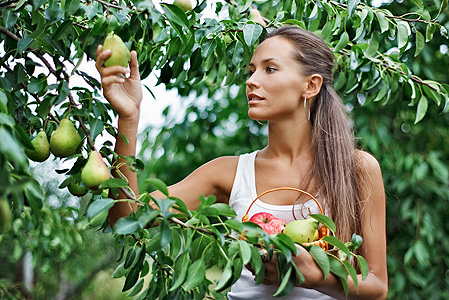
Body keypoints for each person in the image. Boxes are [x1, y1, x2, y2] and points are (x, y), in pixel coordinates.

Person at [95, 25, 388, 299]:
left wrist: (316, 277)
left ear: (310, 86)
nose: (251, 80)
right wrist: (129, 118)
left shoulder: (356, 169)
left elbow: (377, 286)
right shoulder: (229, 172)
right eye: (251, 70)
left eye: (269, 69)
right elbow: (128, 217)